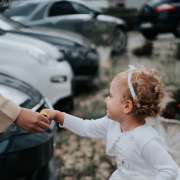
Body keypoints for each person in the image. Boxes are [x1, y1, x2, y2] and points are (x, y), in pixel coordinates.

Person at [41, 65, 180, 180]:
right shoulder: (112, 123)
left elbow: (170, 170)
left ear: (126, 106)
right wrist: (59, 116)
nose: (106, 99)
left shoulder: (146, 139)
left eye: (111, 96)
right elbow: (86, 127)